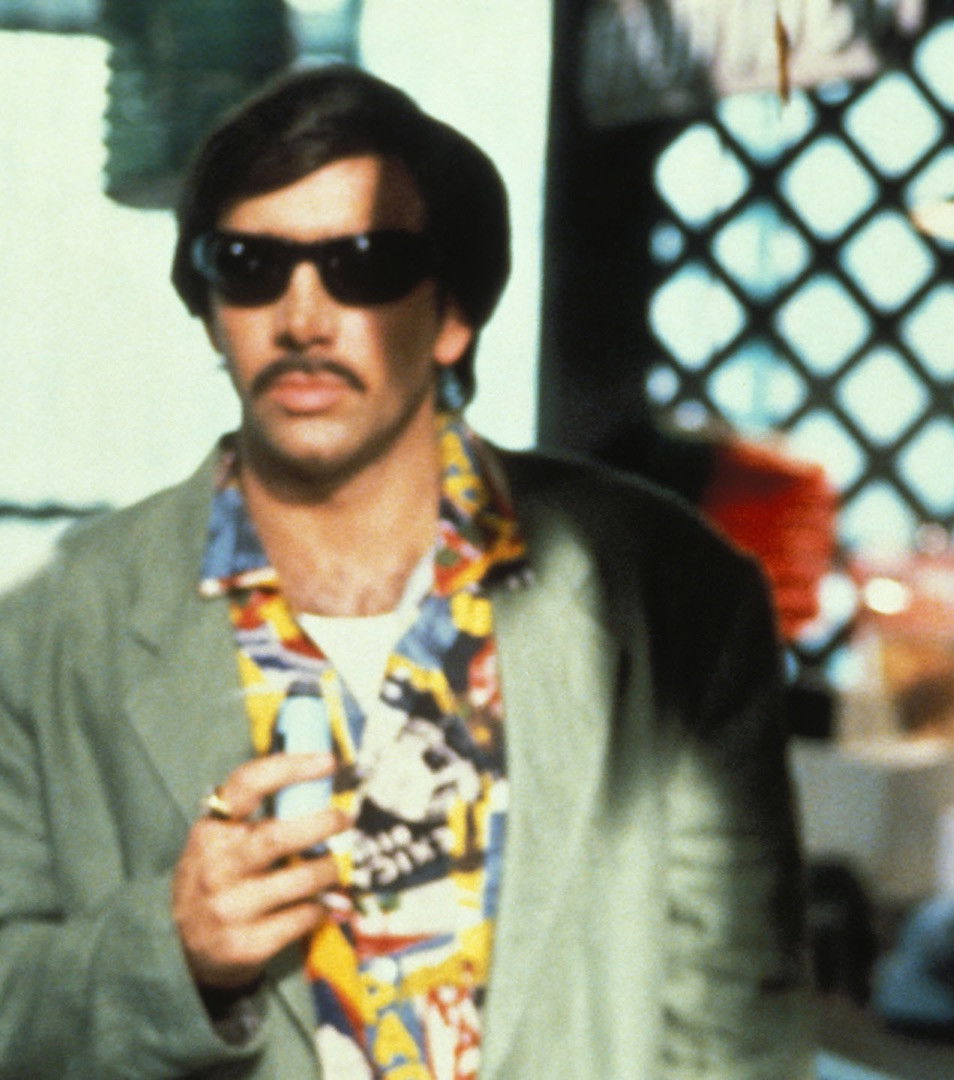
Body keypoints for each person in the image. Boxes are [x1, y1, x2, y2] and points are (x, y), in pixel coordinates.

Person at [0, 66, 810, 1079]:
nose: (303, 318)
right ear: (209, 308)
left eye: (366, 266)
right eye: (251, 265)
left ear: (454, 313)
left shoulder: (669, 595)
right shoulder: (55, 627)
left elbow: (736, 1019)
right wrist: (169, 955)